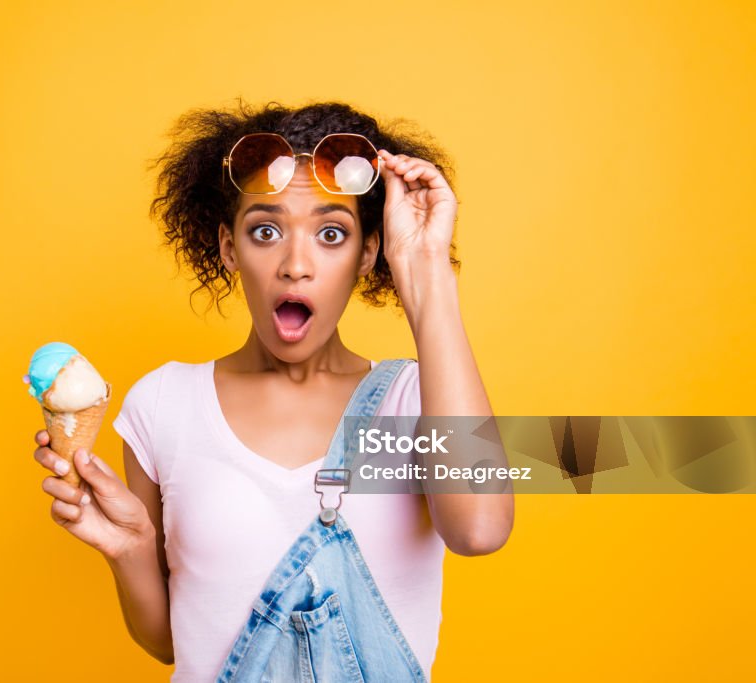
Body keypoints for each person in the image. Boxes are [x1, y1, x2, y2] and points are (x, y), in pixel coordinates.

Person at [32, 100, 514, 681]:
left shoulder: (416, 400)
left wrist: (426, 264)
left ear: (368, 253)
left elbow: (480, 529)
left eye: (331, 234)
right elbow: (168, 643)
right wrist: (129, 550)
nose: (295, 265)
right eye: (265, 230)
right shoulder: (163, 405)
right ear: (230, 247)